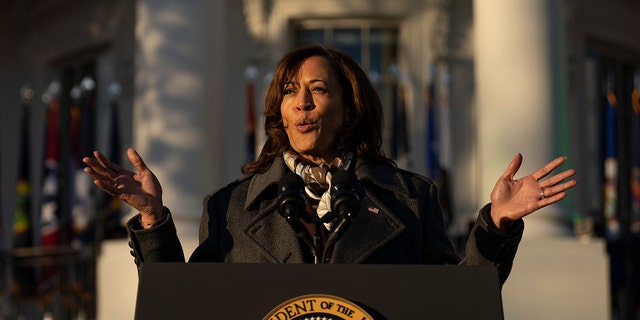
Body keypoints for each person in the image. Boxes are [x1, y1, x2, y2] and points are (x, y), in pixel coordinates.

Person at [82, 45, 577, 285]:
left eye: (318, 90)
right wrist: (153, 219)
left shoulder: (412, 198)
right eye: (290, 92)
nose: (302, 103)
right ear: (278, 110)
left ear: (349, 107)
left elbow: (457, 304)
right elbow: (183, 306)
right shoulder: (230, 207)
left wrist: (496, 225)